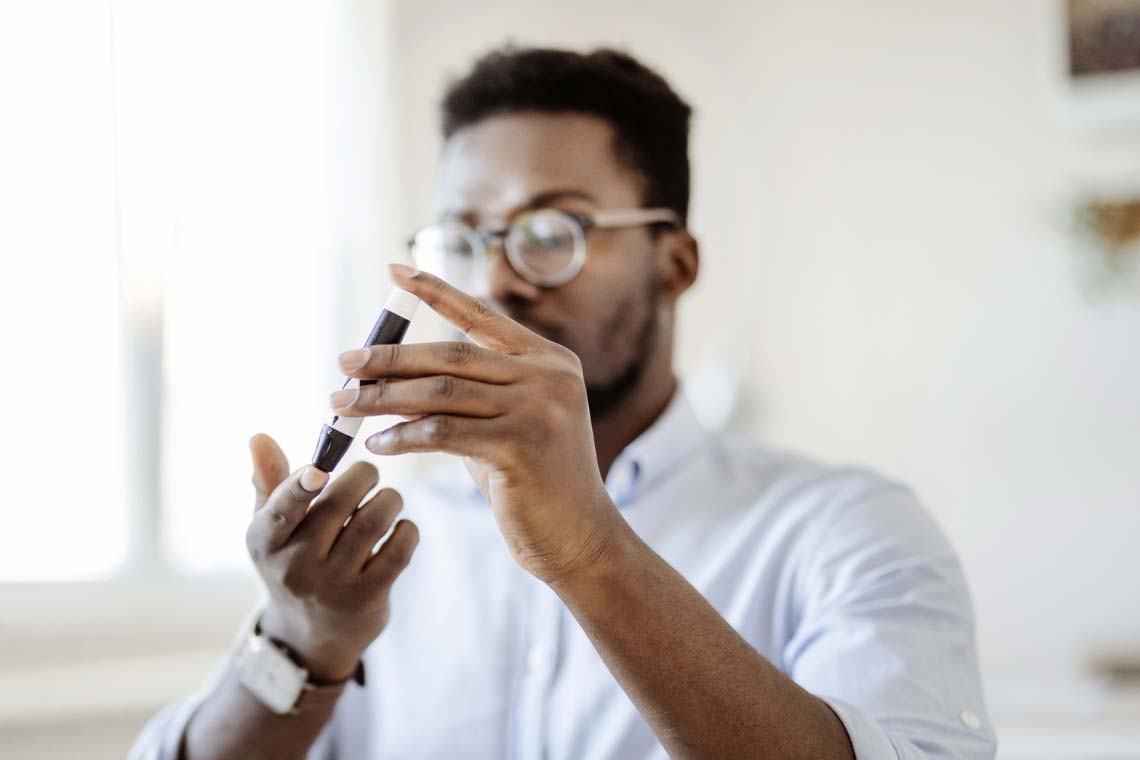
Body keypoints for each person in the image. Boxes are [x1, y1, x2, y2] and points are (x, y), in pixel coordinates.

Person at [131, 46, 996, 760]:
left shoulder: (849, 530)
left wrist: (586, 546)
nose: (498, 275)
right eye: (464, 237)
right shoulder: (376, 548)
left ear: (676, 264)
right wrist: (301, 641)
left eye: (554, 232)